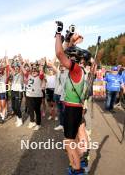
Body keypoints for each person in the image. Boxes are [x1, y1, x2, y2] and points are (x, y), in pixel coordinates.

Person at [55, 21, 91, 174]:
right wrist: (71, 40)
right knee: (77, 134)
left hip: (71, 108)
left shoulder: (76, 70)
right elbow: (67, 52)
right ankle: (80, 161)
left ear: (77, 60)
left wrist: (58, 34)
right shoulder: (82, 69)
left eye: (72, 58)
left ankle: (77, 169)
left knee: (69, 142)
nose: (69, 59)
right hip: (76, 107)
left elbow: (59, 54)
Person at [22, 62, 44, 131]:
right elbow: (23, 70)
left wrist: (41, 65)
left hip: (37, 96)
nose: (34, 72)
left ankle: (38, 124)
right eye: (33, 71)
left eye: (35, 71)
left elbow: (41, 71)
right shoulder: (28, 75)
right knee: (30, 109)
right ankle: (32, 122)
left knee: (37, 110)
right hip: (29, 95)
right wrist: (22, 63)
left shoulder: (40, 76)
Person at [10, 59, 24, 127]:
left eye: (17, 68)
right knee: (13, 107)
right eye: (15, 68)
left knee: (17, 107)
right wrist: (7, 60)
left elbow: (21, 68)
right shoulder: (14, 74)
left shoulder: (21, 74)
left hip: (18, 92)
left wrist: (19, 61)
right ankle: (18, 118)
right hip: (13, 91)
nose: (16, 69)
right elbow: (10, 67)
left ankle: (20, 119)